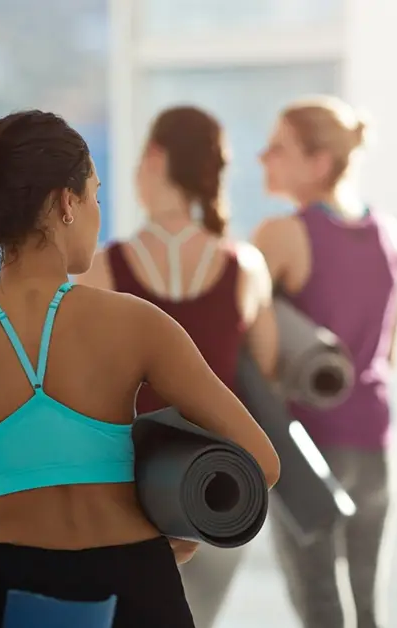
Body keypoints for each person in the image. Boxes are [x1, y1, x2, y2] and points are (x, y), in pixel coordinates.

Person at [0, 110, 281, 628]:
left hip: (15, 587)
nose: (99, 210)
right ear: (66, 202)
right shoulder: (136, 323)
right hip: (138, 582)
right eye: (95, 193)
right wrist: (176, 530)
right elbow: (262, 462)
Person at [75, 105, 276, 628]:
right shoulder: (245, 265)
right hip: (224, 483)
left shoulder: (103, 266)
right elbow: (268, 363)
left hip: (133, 486)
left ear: (156, 158)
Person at [251, 95, 397, 628]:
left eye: (277, 148)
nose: (261, 158)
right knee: (366, 609)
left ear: (318, 163)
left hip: (310, 442)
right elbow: (392, 346)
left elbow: (244, 342)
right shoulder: (387, 233)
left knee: (320, 608)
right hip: (378, 443)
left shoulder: (280, 235)